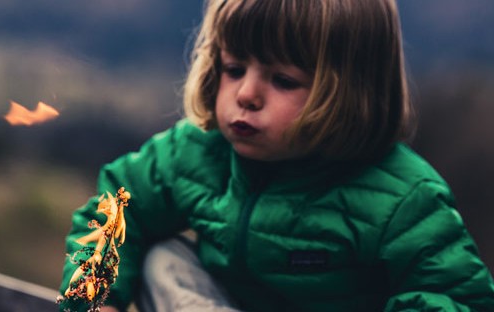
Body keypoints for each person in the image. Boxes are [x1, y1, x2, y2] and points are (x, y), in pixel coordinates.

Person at [59, 0, 494, 311]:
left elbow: (452, 296)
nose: (245, 94)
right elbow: (115, 210)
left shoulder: (404, 198)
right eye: (233, 69)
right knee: (163, 258)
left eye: (284, 80)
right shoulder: (197, 152)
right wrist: (93, 302)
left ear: (349, 92)